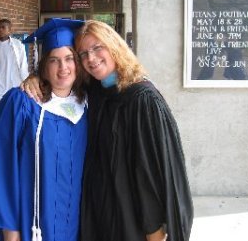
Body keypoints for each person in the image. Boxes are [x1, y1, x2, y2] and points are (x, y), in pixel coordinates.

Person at [22, 20, 194, 241]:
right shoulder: (96, 91)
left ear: (114, 46)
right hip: (100, 218)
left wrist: (155, 233)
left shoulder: (142, 100)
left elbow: (151, 176)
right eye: (83, 54)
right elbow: (61, 78)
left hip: (133, 224)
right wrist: (36, 78)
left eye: (97, 48)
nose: (91, 59)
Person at [0, 18, 88, 241]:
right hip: (31, 225)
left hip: (74, 224)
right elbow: (1, 169)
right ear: (44, 65)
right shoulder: (21, 103)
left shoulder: (88, 103)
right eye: (54, 60)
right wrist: (11, 234)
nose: (63, 68)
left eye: (69, 58)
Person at [0, 18, 29, 116]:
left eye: (3, 27)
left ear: (9, 30)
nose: (0, 29)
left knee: (12, 121)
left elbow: (23, 67)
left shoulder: (18, 46)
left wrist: (25, 85)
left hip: (13, 92)